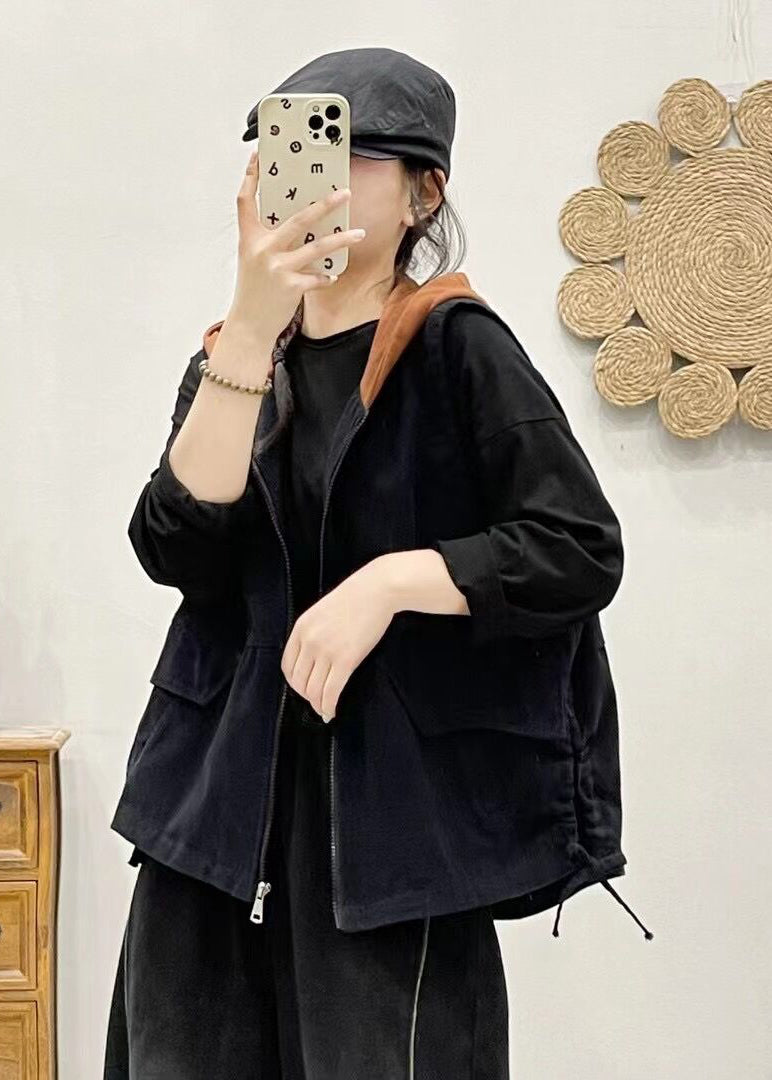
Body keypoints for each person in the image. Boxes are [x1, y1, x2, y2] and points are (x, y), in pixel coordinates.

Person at [104, 47, 646, 1080]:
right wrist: (249, 330)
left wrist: (389, 585)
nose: (311, 181)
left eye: (352, 157)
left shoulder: (457, 347)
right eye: (289, 154)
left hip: (391, 843)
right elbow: (175, 548)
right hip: (210, 828)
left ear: (422, 194)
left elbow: (577, 545)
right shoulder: (234, 356)